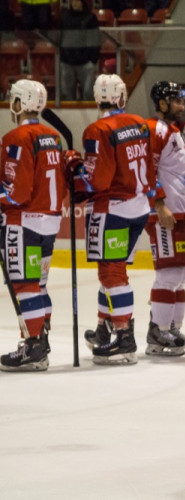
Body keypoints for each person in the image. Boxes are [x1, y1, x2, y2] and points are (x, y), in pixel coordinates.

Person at [71, 73, 160, 365]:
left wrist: (75, 172)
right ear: (122, 97)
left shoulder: (98, 129)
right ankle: (103, 328)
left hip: (113, 210)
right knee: (115, 270)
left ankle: (124, 336)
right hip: (138, 209)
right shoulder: (139, 123)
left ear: (97, 98)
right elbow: (148, 168)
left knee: (111, 273)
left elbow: (98, 179)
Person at [0, 79, 66, 371]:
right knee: (38, 284)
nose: (9, 104)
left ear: (21, 103)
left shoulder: (16, 137)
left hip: (24, 222)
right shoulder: (52, 136)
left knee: (25, 284)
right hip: (49, 222)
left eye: (13, 99)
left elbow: (18, 192)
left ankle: (34, 347)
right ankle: (41, 340)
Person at [143, 81, 185, 356]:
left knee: (182, 273)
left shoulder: (174, 131)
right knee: (168, 274)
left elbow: (177, 172)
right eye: (176, 101)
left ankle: (172, 327)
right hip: (165, 213)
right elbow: (147, 169)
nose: (181, 105)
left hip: (180, 212)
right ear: (162, 103)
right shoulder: (156, 129)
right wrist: (159, 204)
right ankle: (158, 332)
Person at [59, 0, 100, 101]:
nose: (75, 3)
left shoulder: (91, 18)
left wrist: (92, 60)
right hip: (67, 61)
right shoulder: (64, 17)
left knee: (88, 93)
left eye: (77, 1)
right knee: (66, 93)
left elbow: (96, 39)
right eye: (73, 1)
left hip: (86, 62)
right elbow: (60, 37)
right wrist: (63, 55)